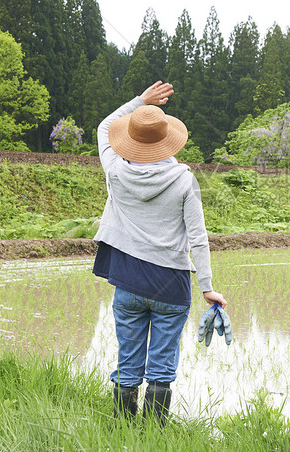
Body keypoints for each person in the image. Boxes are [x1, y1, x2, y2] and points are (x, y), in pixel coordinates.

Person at [92, 80, 227, 426]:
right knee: (161, 367)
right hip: (171, 287)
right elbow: (198, 238)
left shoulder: (116, 170)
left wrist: (140, 101)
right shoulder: (184, 180)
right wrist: (207, 287)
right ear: (169, 141)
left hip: (128, 283)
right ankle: (153, 437)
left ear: (129, 140)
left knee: (128, 362)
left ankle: (123, 432)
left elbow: (104, 127)